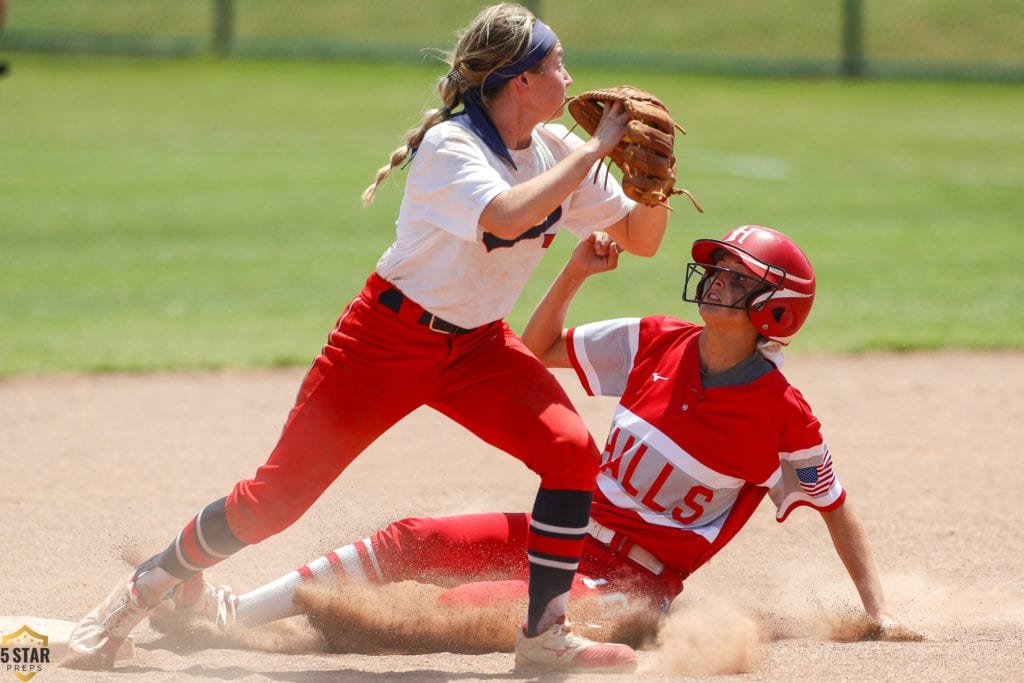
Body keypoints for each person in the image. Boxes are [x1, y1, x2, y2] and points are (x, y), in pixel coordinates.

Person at [68, 3, 671, 674]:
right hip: (385, 341)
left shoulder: (557, 151)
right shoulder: (454, 148)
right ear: (518, 81)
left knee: (571, 453)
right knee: (276, 500)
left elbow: (642, 241)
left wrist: (653, 183)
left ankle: (545, 634)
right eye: (556, 64)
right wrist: (595, 151)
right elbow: (504, 218)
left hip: (477, 349)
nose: (569, 76)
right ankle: (139, 592)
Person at [168, 225, 919, 651]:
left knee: (482, 603)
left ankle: (292, 641)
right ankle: (235, 614)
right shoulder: (661, 341)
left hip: (630, 581)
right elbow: (537, 345)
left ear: (777, 311)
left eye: (738, 275)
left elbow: (836, 504)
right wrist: (577, 269)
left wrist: (875, 608)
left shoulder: (784, 414)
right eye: (717, 268)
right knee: (414, 535)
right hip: (566, 536)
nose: (716, 278)